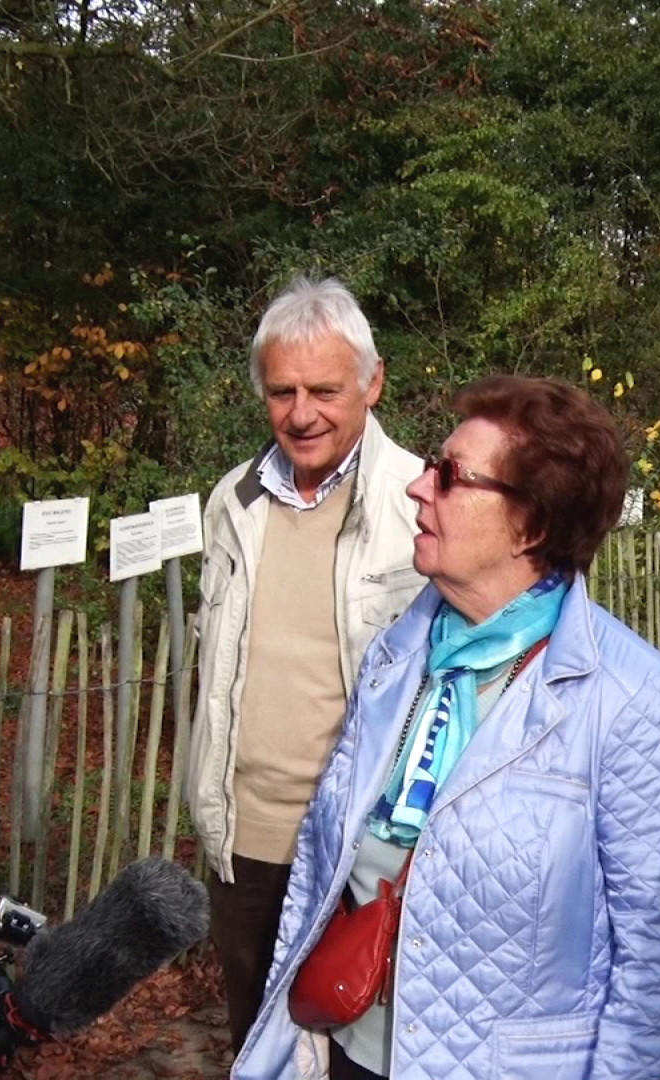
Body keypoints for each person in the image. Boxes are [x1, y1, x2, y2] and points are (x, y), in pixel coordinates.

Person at [234, 375, 660, 1080]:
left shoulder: (641, 706)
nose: (418, 488)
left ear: (533, 523)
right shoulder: (397, 657)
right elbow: (320, 875)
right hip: (345, 1050)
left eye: (450, 476)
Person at [187, 276, 427, 1052]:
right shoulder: (233, 502)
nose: (301, 413)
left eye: (324, 389)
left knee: (364, 1047)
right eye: (282, 391)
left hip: (369, 844)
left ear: (373, 380)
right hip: (248, 840)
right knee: (258, 1044)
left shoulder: (421, 503)